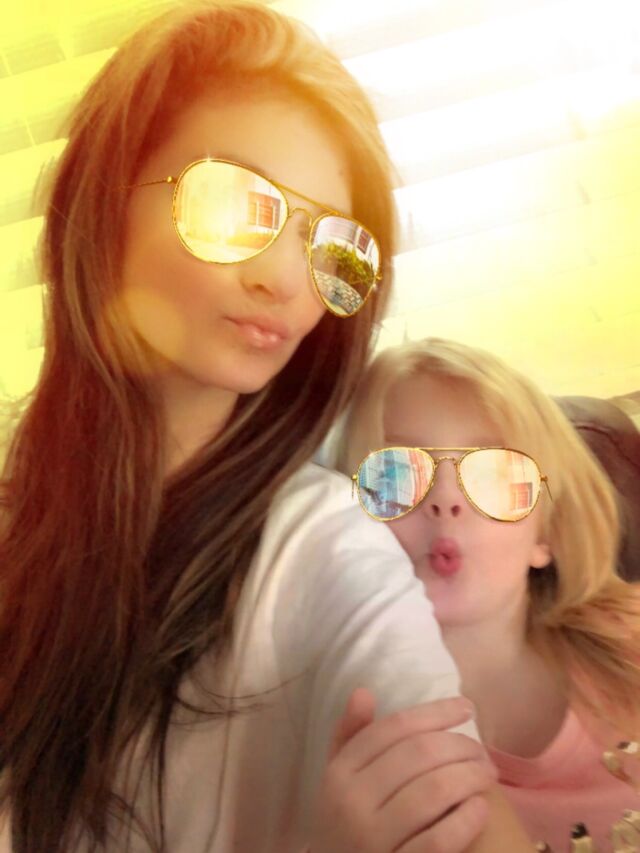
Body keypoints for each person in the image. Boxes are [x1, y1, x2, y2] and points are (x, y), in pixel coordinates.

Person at [0, 4, 538, 851]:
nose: (287, 280)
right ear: (107, 202)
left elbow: (469, 823)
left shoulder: (325, 546)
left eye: (332, 246)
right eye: (234, 204)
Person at [338, 337, 640, 851]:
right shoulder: (359, 760)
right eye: (394, 474)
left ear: (546, 533)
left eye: (497, 473)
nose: (445, 499)